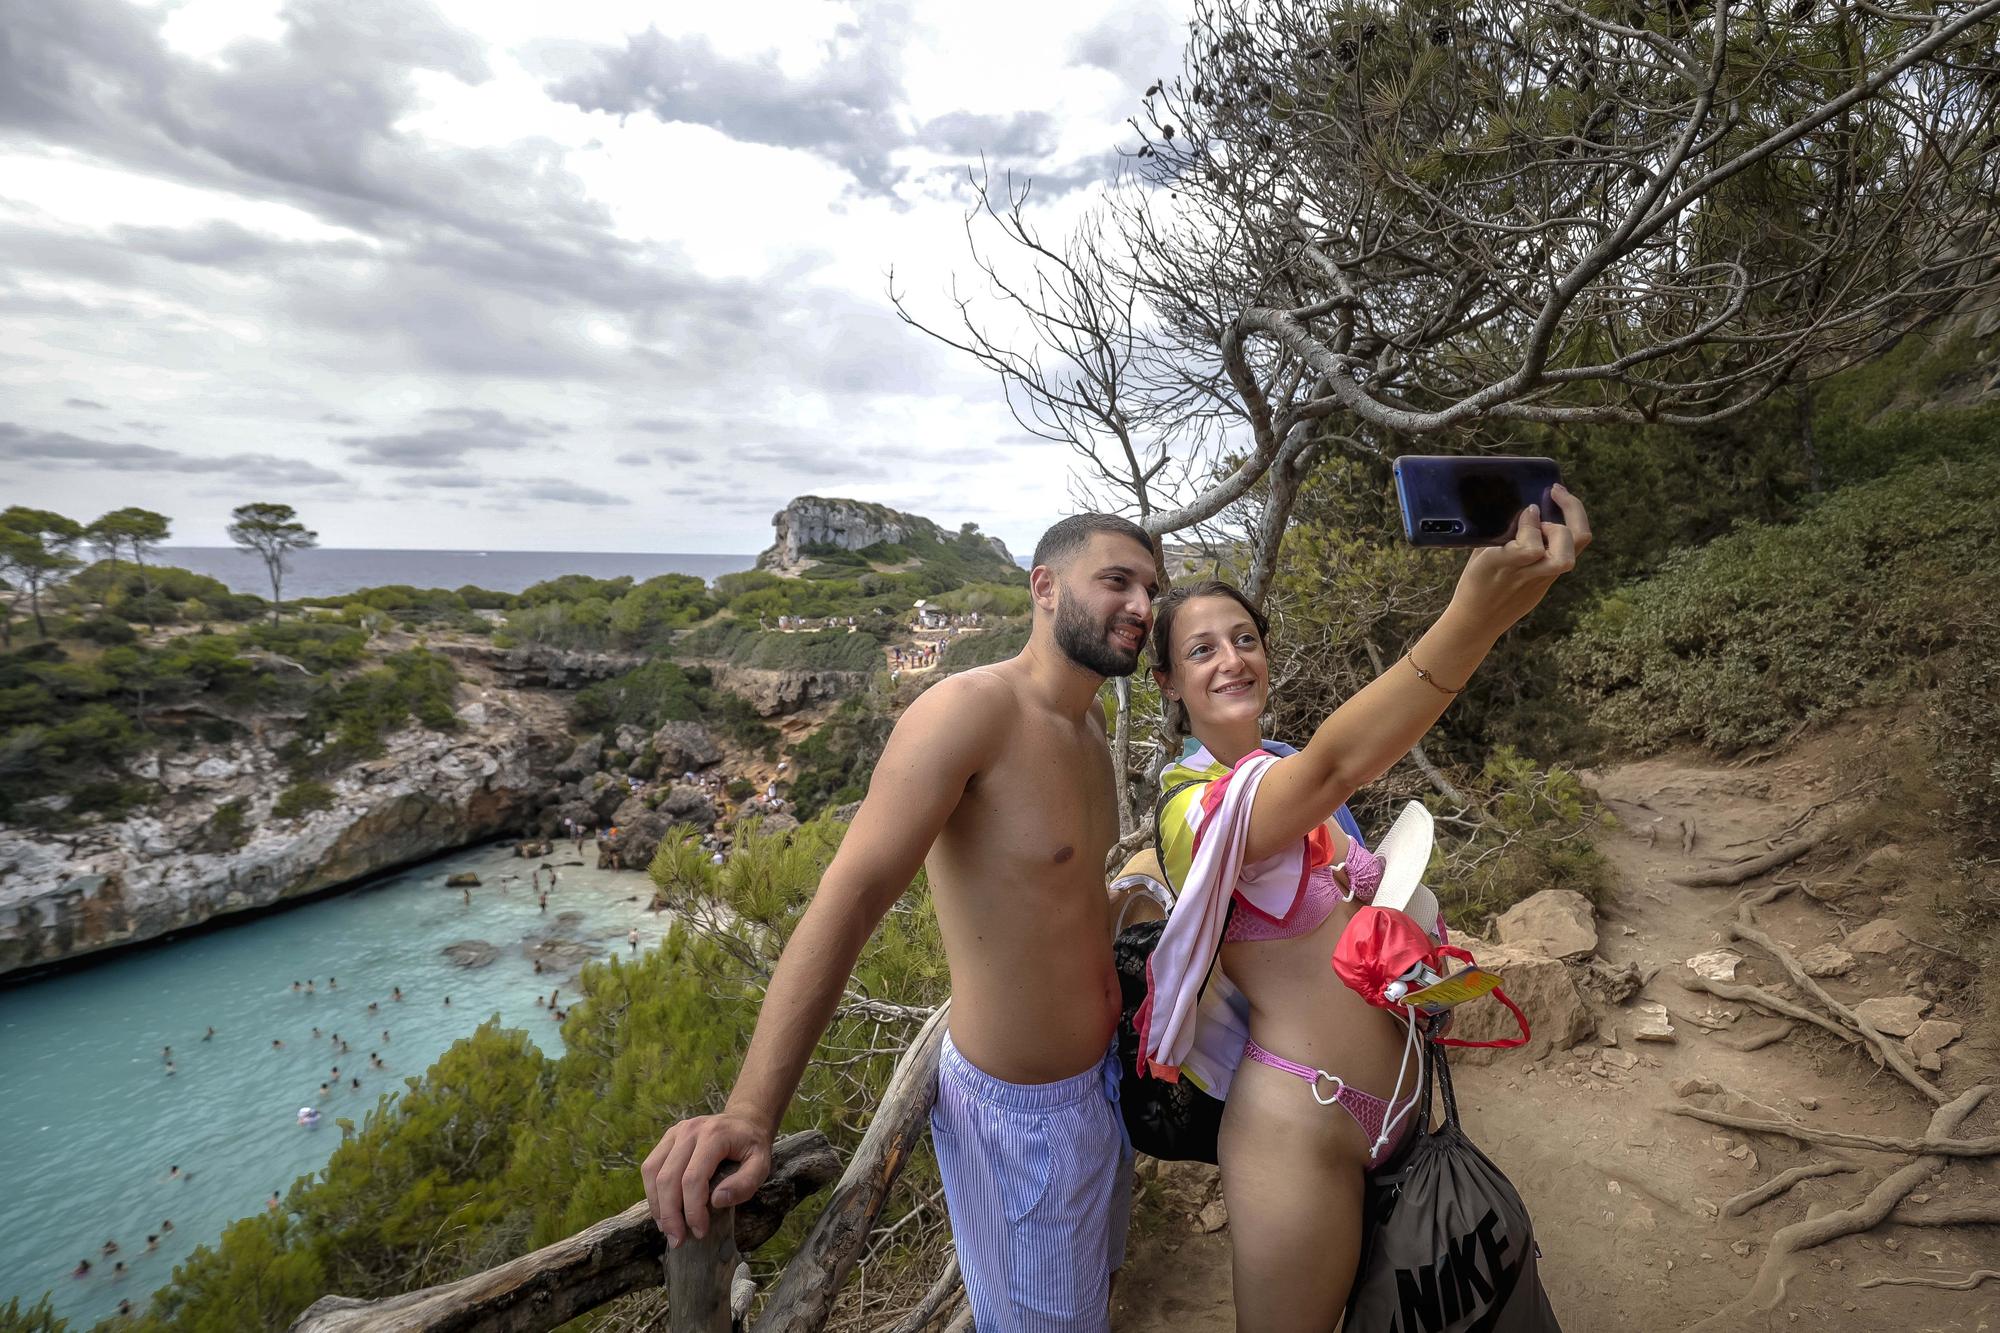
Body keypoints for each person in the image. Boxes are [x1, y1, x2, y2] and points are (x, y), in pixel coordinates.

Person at [644, 514, 1159, 1332]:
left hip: (1098, 1089)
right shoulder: (968, 712)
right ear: (1045, 585)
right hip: (1020, 1125)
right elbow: (846, 901)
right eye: (1118, 580)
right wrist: (751, 1112)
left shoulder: (1090, 726)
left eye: (1152, 590)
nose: (1141, 604)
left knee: (1091, 1298)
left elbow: (1061, 898)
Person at [1141, 489, 1591, 1328]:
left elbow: (1359, 883)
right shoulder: (1190, 808)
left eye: (1245, 639)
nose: (1231, 659)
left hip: (1404, 1100)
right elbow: (1334, 767)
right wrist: (1472, 617)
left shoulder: (1285, 766)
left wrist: (1416, 950)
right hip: (1299, 1127)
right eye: (1200, 650)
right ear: (1167, 681)